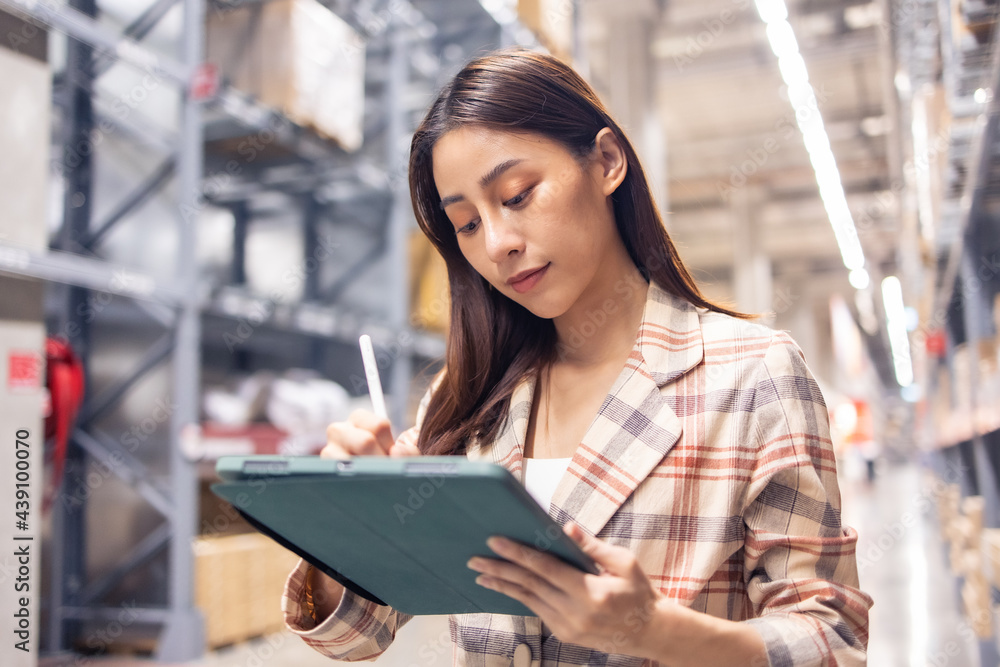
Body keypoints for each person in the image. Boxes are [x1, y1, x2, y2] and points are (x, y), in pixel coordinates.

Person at [280, 46, 873, 666]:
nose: (500, 244)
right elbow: (356, 636)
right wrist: (348, 525)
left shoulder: (753, 376)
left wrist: (655, 630)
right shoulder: (468, 399)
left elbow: (833, 643)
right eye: (467, 225)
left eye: (516, 195)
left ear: (608, 161)